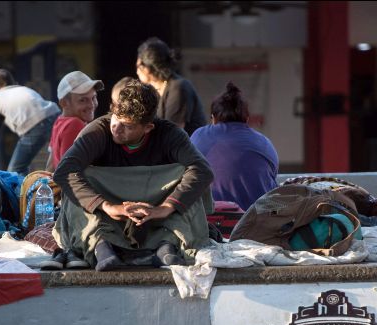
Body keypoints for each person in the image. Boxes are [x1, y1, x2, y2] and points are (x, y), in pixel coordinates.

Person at [53, 80, 214, 271]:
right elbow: (64, 171)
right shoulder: (96, 131)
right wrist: (108, 206)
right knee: (78, 179)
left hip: (156, 214)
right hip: (108, 215)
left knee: (187, 176)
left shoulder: (170, 134)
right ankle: (101, 246)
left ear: (148, 128)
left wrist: (166, 207)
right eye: (116, 118)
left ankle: (167, 245)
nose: (117, 128)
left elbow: (202, 169)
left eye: (128, 126)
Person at [190, 82, 279, 210]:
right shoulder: (264, 142)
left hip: (209, 220)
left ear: (213, 118)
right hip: (255, 222)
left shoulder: (198, 135)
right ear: (246, 118)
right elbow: (271, 175)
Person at [0, 69, 61, 175]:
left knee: (15, 171)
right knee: (57, 162)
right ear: (15, 84)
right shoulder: (22, 89)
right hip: (56, 115)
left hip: (36, 125)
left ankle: (24, 191)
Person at [136, 37, 207, 135]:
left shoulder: (178, 88)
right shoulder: (154, 90)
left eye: (138, 66)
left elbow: (172, 131)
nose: (137, 71)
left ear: (147, 69)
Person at [48, 71, 104, 171]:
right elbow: (70, 170)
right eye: (83, 100)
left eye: (94, 98)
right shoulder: (74, 124)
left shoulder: (59, 122)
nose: (91, 105)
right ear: (64, 103)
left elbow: (51, 165)